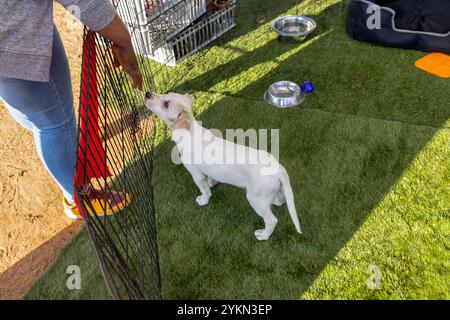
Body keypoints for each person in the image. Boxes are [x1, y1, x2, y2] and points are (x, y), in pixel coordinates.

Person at [0, 1, 142, 218]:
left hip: (13, 33)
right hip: (16, 41)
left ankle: (73, 189)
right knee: (54, 125)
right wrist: (122, 40)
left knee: (40, 120)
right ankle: (80, 197)